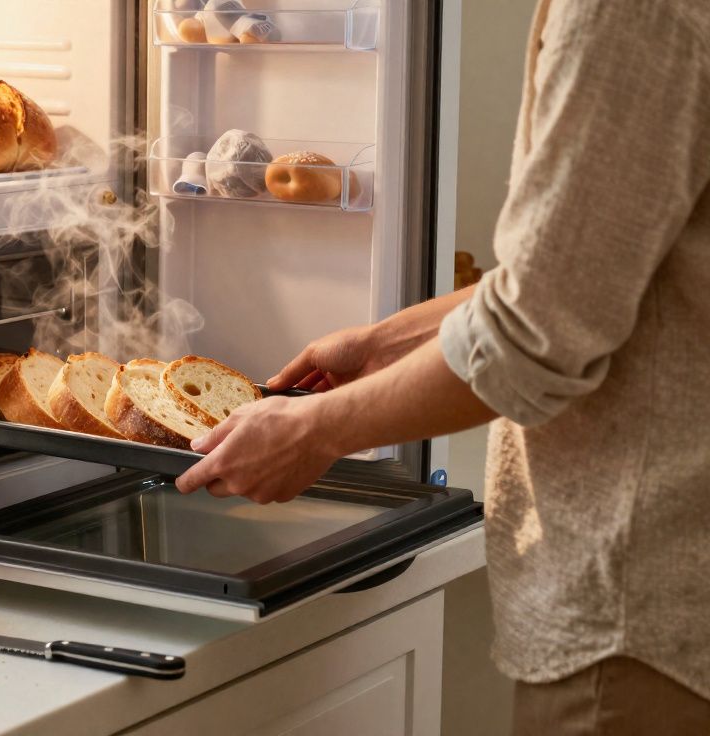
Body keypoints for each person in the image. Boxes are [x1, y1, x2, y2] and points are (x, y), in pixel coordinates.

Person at [175, 0, 710, 733]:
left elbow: (538, 332)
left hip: (639, 612)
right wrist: (386, 343)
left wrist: (317, 431)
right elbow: (588, 273)